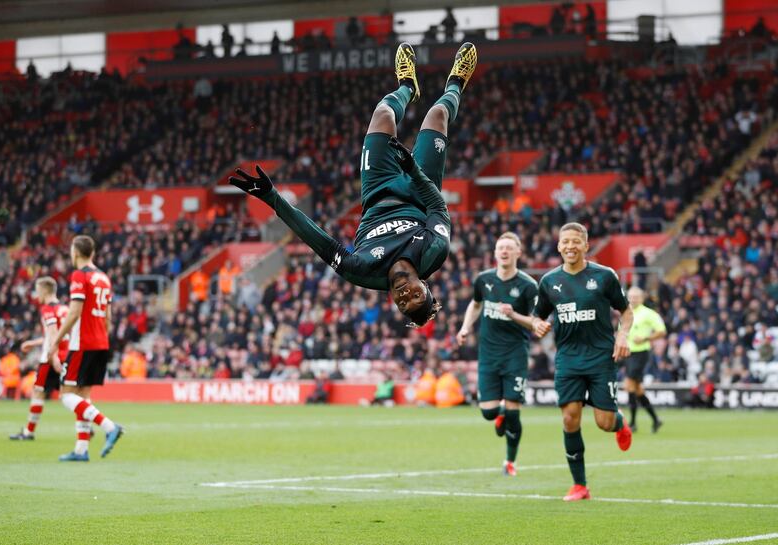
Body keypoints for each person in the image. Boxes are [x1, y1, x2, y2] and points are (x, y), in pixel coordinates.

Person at [230, 42, 478, 328]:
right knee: (437, 115)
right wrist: (412, 169)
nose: (405, 296)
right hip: (419, 191)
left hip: (376, 189)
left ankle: (406, 85)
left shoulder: (362, 272)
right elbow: (438, 205)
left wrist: (273, 198)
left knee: (382, 115)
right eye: (416, 296)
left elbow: (317, 240)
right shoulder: (435, 251)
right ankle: (455, 84)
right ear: (425, 285)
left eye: (403, 304)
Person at [533, 222, 634, 502]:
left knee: (604, 422)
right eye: (565, 242)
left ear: (586, 245)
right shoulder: (549, 282)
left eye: (576, 241)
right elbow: (537, 315)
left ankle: (619, 422)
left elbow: (626, 312)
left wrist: (622, 336)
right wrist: (537, 324)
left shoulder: (604, 277)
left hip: (602, 357)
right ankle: (580, 485)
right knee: (569, 418)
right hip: (568, 359)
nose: (570, 246)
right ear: (558, 246)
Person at [456, 232, 539, 476]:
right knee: (489, 412)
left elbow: (536, 323)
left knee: (514, 410)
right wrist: (465, 327)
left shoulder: (528, 286)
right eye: (500, 247)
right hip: (489, 354)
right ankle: (500, 413)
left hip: (515, 354)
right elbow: (476, 304)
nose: (504, 251)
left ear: (518, 253)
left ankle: (510, 461)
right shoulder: (483, 280)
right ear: (494, 253)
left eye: (508, 248)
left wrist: (514, 315)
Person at [50, 235, 124, 461]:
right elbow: (108, 317)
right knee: (83, 396)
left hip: (82, 342)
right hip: (101, 341)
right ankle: (81, 450)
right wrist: (104, 338)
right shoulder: (104, 277)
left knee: (66, 394)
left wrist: (56, 341)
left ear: (75, 252)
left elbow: (74, 312)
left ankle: (109, 427)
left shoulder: (79, 276)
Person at [10, 277, 69, 440]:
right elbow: (59, 335)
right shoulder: (64, 309)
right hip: (65, 354)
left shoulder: (47, 309)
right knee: (68, 394)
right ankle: (86, 423)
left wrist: (54, 356)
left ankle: (29, 432)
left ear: (44, 291)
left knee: (38, 392)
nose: (36, 295)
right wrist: (34, 342)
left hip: (51, 357)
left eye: (37, 291)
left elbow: (52, 334)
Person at [624, 286, 666, 433]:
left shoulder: (649, 314)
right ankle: (656, 420)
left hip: (641, 353)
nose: (633, 299)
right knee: (637, 389)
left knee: (629, 385)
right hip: (628, 354)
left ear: (641, 298)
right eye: (631, 296)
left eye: (636, 296)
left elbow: (662, 331)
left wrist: (645, 338)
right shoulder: (626, 312)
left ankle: (632, 423)